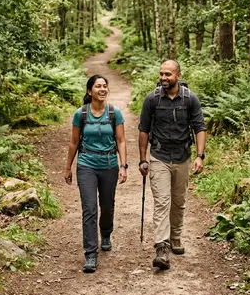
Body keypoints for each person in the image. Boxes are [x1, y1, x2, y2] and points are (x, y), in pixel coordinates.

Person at [138, 60, 206, 270]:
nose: (163, 78)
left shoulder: (189, 99)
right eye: (161, 74)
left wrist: (200, 156)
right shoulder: (152, 99)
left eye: (168, 74)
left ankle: (175, 237)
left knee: (179, 201)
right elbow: (143, 130)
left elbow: (199, 128)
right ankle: (162, 247)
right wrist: (143, 158)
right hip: (159, 156)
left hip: (183, 157)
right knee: (162, 202)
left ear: (178, 75)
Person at [64, 74, 128, 273]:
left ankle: (106, 233)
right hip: (86, 165)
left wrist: (124, 165)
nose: (102, 89)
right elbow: (74, 142)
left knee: (107, 206)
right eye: (98, 86)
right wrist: (68, 167)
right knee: (89, 208)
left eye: (105, 86)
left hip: (109, 164)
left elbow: (121, 140)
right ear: (89, 91)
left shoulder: (114, 113)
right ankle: (90, 254)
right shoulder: (80, 114)